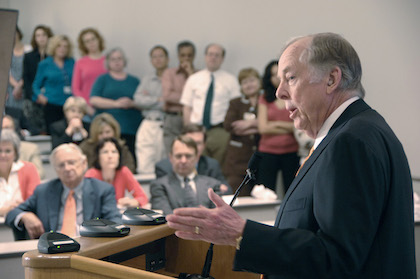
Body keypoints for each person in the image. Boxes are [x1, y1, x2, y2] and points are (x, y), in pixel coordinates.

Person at [166, 33, 416, 278]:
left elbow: (336, 260)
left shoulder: (349, 142)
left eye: (290, 78)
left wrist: (241, 233)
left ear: (331, 79)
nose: (279, 92)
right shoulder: (361, 129)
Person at [6, 143, 121, 239]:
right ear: (55, 169)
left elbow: (115, 221)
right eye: (61, 165)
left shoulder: (102, 190)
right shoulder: (43, 191)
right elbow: (11, 214)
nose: (67, 168)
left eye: (71, 162)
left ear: (83, 163)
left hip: (89, 251)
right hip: (52, 252)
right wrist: (25, 216)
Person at [181, 43, 240, 166]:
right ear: (205, 56)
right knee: (195, 166)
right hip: (196, 130)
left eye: (217, 55)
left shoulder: (231, 80)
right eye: (210, 54)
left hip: (220, 131)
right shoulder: (193, 79)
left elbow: (236, 108)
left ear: (222, 59)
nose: (213, 57)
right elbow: (187, 107)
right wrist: (189, 130)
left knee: (219, 166)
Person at [150, 135, 227, 215]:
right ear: (171, 157)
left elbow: (217, 217)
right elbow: (166, 218)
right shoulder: (159, 186)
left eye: (188, 156)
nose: (183, 160)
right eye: (178, 156)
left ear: (197, 158)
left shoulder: (213, 185)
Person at [90, 47, 142, 164]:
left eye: (119, 58)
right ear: (108, 62)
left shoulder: (134, 81)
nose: (117, 62)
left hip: (131, 128)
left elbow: (143, 102)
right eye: (113, 59)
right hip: (107, 128)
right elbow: (94, 100)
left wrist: (132, 103)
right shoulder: (102, 79)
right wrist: (116, 104)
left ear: (124, 61)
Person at [256, 60, 300, 194]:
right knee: (265, 194)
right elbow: (263, 128)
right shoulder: (264, 98)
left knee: (293, 192)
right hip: (267, 152)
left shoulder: (295, 96)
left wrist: (275, 123)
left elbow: (298, 127)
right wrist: (288, 127)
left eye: (279, 74)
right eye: (273, 75)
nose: (277, 78)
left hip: (291, 152)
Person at [223, 68, 260, 195]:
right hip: (237, 160)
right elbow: (229, 125)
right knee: (239, 197)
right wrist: (259, 126)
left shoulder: (266, 101)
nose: (249, 85)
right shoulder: (235, 103)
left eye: (252, 80)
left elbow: (269, 124)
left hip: (260, 159)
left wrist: (250, 124)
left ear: (259, 81)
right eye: (244, 82)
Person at [155, 124, 228, 187]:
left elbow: (226, 190)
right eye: (189, 142)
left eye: (198, 143)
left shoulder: (212, 165)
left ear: (204, 145)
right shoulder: (164, 167)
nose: (194, 147)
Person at [134, 45, 169, 174]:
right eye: (154, 57)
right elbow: (138, 100)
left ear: (168, 59)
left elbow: (171, 102)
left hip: (166, 123)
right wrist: (158, 100)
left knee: (164, 164)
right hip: (148, 123)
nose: (158, 59)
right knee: (144, 164)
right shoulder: (147, 79)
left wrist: (150, 100)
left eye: (161, 56)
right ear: (151, 60)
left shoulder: (173, 77)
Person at [85, 138, 148, 208]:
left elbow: (142, 197)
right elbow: (84, 200)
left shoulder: (123, 172)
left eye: (114, 152)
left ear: (119, 156)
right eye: (105, 152)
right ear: (98, 157)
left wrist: (131, 202)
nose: (110, 156)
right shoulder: (91, 175)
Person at [32, 35, 75, 134]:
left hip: (69, 104)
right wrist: (40, 96)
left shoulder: (71, 62)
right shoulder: (45, 64)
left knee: (69, 133)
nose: (62, 49)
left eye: (65, 46)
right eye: (59, 46)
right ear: (54, 47)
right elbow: (36, 85)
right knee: (54, 132)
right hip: (51, 104)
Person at [161, 40, 197, 154]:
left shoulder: (199, 75)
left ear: (194, 56)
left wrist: (191, 74)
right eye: (183, 55)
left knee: (191, 152)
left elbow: (200, 98)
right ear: (178, 56)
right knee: (171, 153)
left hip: (193, 118)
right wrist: (189, 98)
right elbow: (167, 96)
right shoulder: (169, 73)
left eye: (189, 55)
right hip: (173, 118)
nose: (186, 58)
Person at [0, 130, 40, 217]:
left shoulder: (28, 169)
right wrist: (4, 210)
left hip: (21, 223)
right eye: (0, 151)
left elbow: (35, 203)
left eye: (8, 151)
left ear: (15, 154)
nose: (3, 155)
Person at [23, 24, 54, 135]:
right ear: (34, 38)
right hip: (32, 98)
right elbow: (26, 78)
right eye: (38, 35)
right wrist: (34, 95)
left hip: (50, 98)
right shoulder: (28, 56)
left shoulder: (54, 57)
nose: (41, 38)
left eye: (44, 35)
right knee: (34, 127)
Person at [72, 28, 107, 117]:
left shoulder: (108, 61)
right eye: (87, 41)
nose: (91, 43)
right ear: (84, 45)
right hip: (87, 109)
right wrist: (87, 107)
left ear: (99, 40)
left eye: (93, 39)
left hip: (107, 107)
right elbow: (76, 88)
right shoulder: (80, 63)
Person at [2, 115, 45, 179]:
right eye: (1, 128)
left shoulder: (30, 149)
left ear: (13, 129)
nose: (3, 131)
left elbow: (39, 173)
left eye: (7, 128)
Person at [6, 26, 25, 123]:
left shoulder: (28, 48)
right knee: (11, 115)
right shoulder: (5, 49)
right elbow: (6, 70)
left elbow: (28, 70)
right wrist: (15, 85)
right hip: (9, 86)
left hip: (24, 86)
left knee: (24, 115)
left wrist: (20, 85)